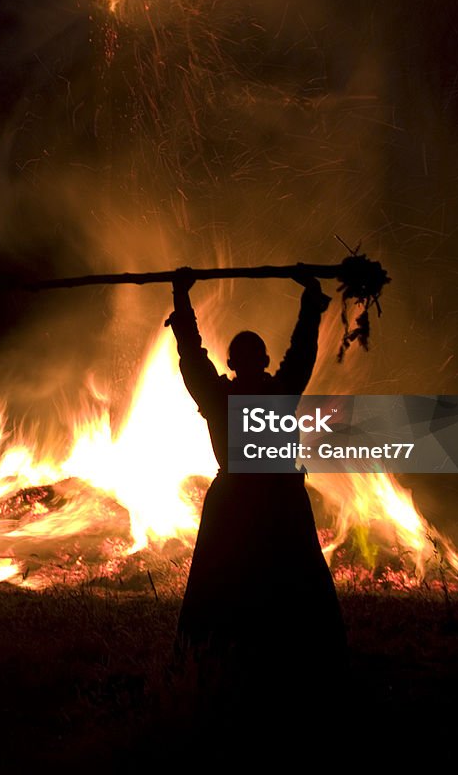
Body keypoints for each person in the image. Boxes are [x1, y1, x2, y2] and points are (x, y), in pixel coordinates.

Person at [165, 265, 347, 689]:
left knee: (218, 585)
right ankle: (304, 667)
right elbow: (302, 352)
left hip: (234, 499)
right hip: (279, 500)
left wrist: (181, 297)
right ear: (264, 362)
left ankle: (216, 662)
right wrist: (310, 299)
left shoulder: (217, 397)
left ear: (230, 363)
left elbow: (192, 355)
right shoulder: (281, 393)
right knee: (298, 585)